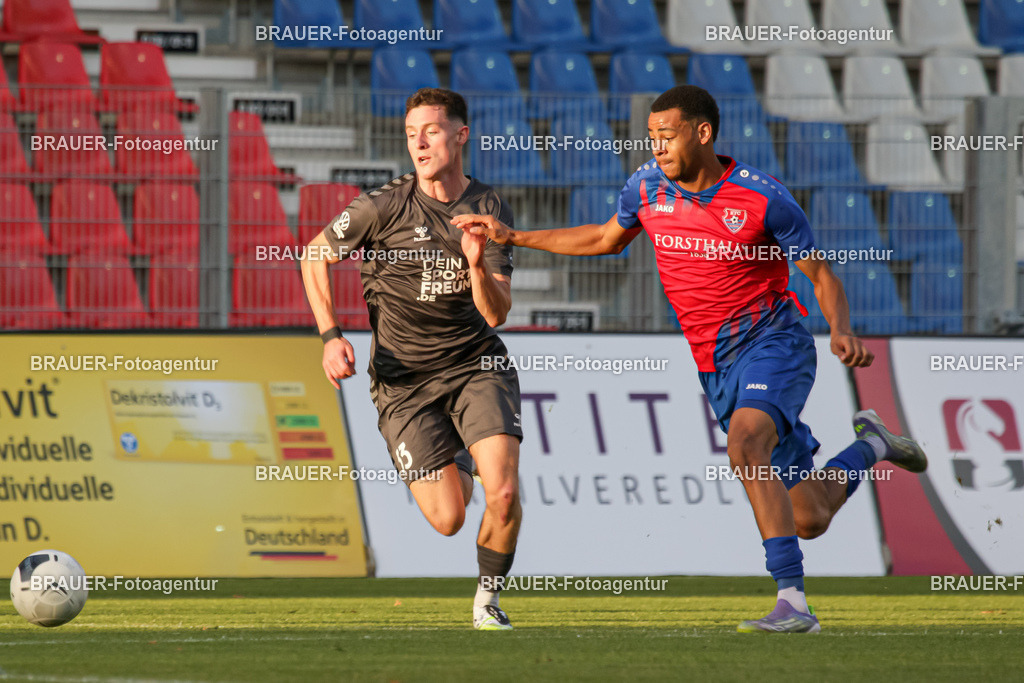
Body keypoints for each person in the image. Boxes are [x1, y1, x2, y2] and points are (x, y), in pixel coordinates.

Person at [452, 85, 927, 634]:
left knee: (745, 443)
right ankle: (873, 444)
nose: (657, 147)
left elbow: (821, 275)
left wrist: (840, 329)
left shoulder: (763, 198)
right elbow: (606, 238)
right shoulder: (647, 187)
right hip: (714, 366)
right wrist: (516, 237)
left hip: (775, 345)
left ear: (702, 133)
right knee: (808, 515)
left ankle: (793, 604)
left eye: (667, 135)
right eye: (651, 137)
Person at [301, 88, 523, 631]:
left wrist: (474, 267)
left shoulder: (489, 208)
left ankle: (487, 602)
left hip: (476, 364)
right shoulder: (381, 206)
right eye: (410, 134)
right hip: (403, 383)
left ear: (461, 134)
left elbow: (496, 314)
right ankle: (457, 450)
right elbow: (314, 254)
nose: (419, 143)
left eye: (431, 130)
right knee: (449, 518)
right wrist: (331, 336)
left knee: (506, 490)